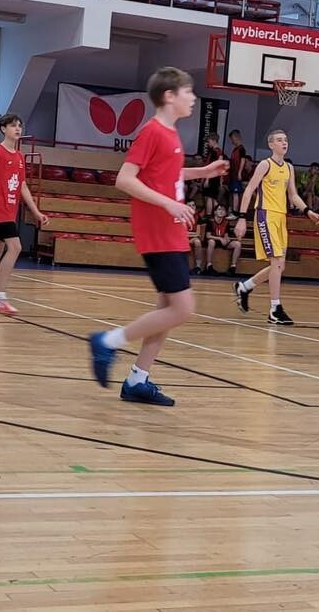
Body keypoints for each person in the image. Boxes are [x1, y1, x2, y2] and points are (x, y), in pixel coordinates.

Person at [86, 67, 228, 406]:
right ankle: (107, 341)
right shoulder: (151, 132)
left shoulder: (171, 133)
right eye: (187, 91)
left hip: (172, 231)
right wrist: (167, 203)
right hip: (158, 232)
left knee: (167, 309)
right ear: (169, 96)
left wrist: (202, 172)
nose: (193, 97)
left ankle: (138, 379)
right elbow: (125, 179)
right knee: (182, 309)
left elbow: (166, 174)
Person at [233, 130, 319, 326]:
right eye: (280, 140)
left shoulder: (289, 167)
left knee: (280, 266)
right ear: (271, 144)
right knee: (276, 262)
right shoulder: (265, 165)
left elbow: (293, 195)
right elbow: (249, 190)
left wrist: (307, 211)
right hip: (265, 215)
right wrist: (241, 218)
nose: (284, 143)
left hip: (281, 217)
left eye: (286, 140)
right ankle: (275, 309)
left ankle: (245, 287)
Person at [0, 114, 49, 315]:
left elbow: (22, 186)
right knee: (15, 247)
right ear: (3, 128)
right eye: (13, 126)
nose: (17, 129)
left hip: (10, 208)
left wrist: (36, 211)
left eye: (19, 126)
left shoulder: (19, 157)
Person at [200, 204, 240, 275]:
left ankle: (233, 267)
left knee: (237, 244)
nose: (221, 211)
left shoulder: (226, 222)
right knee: (211, 242)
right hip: (213, 240)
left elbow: (226, 234)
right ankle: (208, 265)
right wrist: (220, 238)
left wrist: (226, 239)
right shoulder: (211, 221)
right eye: (219, 209)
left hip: (222, 241)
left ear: (225, 213)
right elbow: (208, 236)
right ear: (215, 212)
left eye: (223, 210)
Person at [226, 129, 250, 211]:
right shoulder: (235, 149)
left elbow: (242, 160)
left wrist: (239, 173)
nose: (232, 141)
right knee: (232, 192)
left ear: (236, 137)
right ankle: (232, 209)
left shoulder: (241, 149)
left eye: (232, 139)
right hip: (232, 174)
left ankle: (235, 211)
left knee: (236, 193)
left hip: (237, 174)